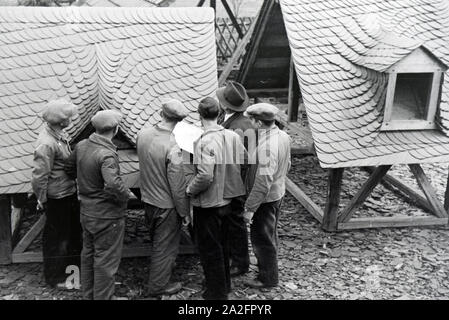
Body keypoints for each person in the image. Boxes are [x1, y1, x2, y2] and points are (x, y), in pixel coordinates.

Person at [186, 97, 246, 300]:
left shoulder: (204, 141)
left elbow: (205, 176)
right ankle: (225, 286)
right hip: (228, 200)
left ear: (199, 115)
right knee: (224, 245)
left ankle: (216, 294)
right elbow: (244, 159)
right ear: (220, 113)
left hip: (208, 204)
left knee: (210, 250)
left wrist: (189, 190)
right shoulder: (232, 135)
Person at [65, 109, 129, 300]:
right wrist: (126, 196)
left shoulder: (82, 145)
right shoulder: (107, 154)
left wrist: (86, 182)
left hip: (87, 211)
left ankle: (89, 295)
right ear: (115, 129)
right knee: (106, 262)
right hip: (107, 216)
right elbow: (113, 184)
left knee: (88, 255)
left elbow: (69, 169)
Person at [137, 99, 191, 297]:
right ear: (180, 122)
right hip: (166, 205)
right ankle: (158, 286)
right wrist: (184, 211)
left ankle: (160, 273)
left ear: (161, 114)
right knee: (165, 248)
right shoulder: (174, 146)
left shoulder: (143, 134)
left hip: (148, 198)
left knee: (158, 242)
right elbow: (177, 186)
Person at [31, 99, 82, 289]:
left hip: (66, 192)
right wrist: (41, 198)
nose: (71, 120)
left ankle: (71, 273)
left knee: (71, 234)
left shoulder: (58, 134)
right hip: (57, 197)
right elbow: (39, 175)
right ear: (61, 121)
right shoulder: (46, 143)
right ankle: (55, 278)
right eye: (68, 117)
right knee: (58, 239)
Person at [242, 103, 291, 289]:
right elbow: (287, 164)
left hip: (266, 199)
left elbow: (262, 183)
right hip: (278, 192)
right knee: (270, 234)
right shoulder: (282, 135)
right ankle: (269, 268)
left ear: (259, 122)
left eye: (252, 120)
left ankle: (268, 279)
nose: (250, 124)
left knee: (262, 239)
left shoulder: (266, 147)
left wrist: (250, 209)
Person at [216, 81, 255, 277]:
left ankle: (240, 263)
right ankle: (234, 257)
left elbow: (244, 161)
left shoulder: (238, 128)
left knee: (236, 223)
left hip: (235, 183)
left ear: (225, 104)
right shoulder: (234, 119)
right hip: (234, 181)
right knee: (233, 222)